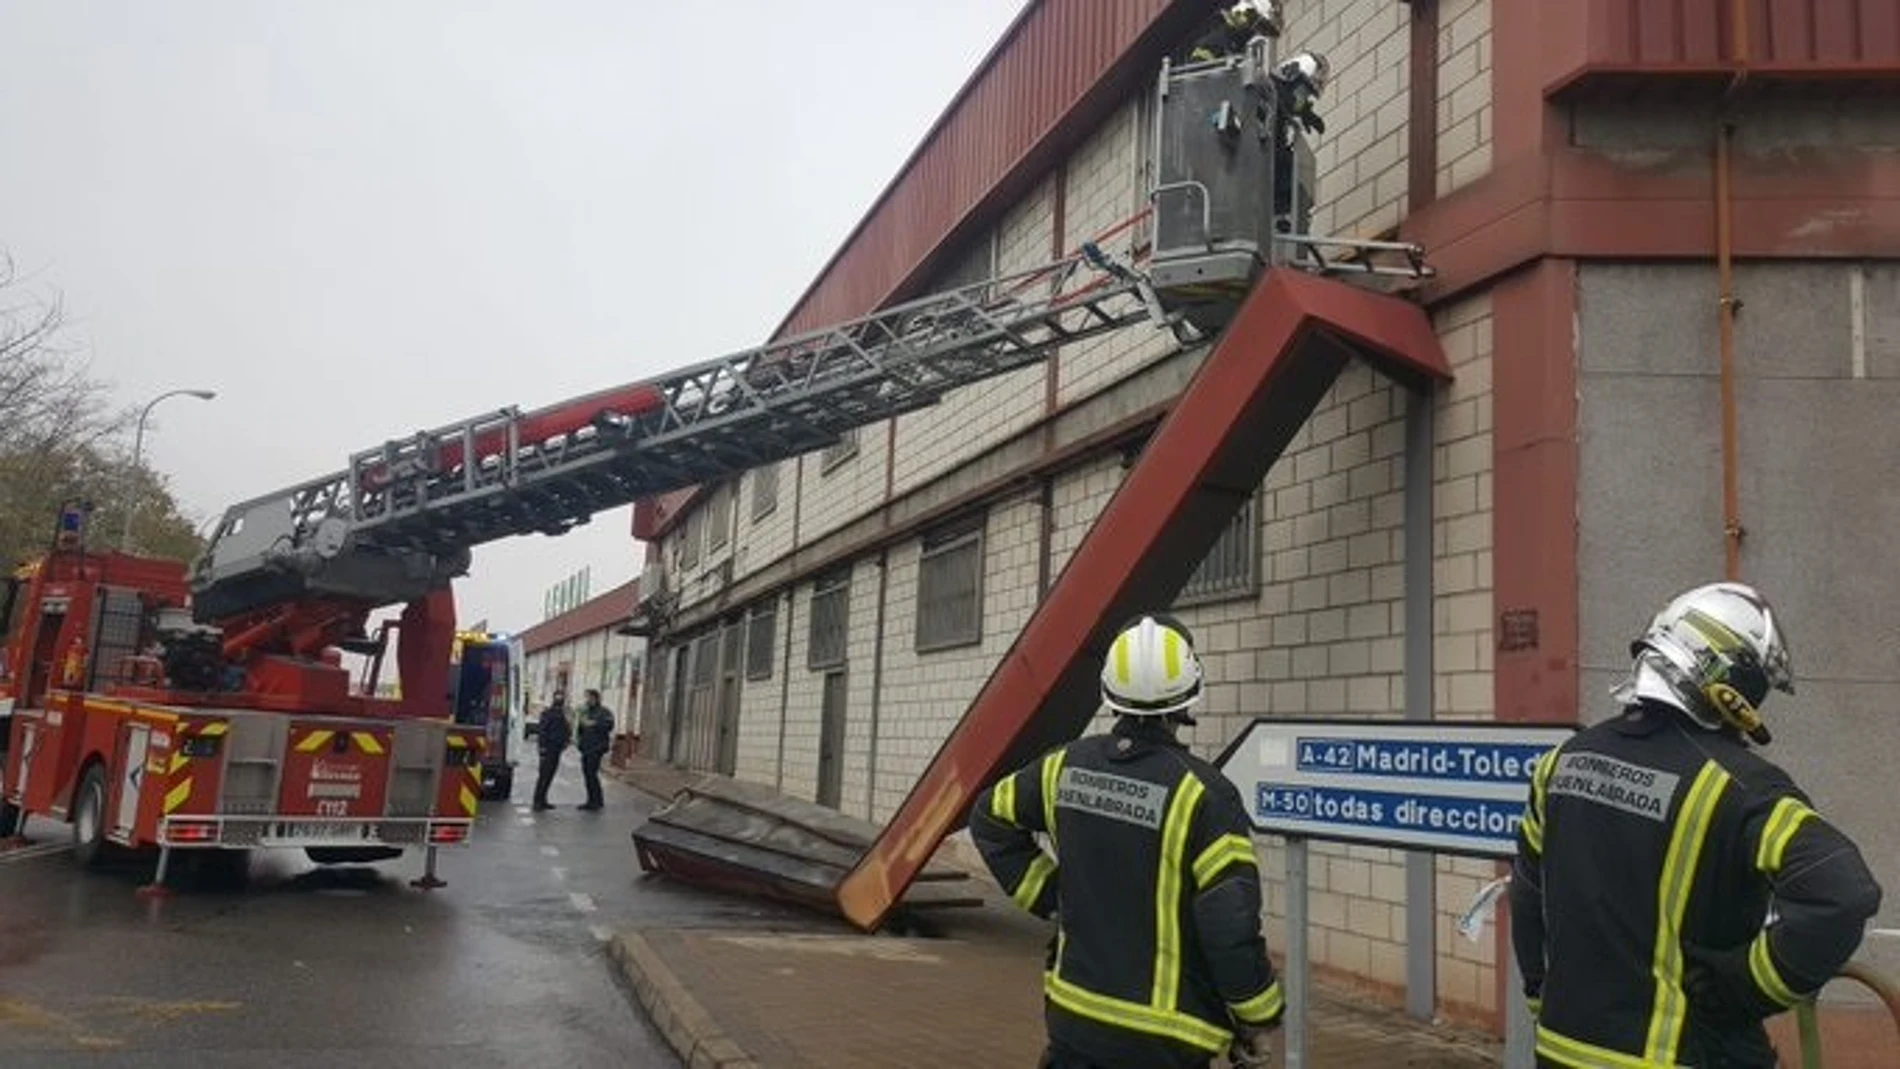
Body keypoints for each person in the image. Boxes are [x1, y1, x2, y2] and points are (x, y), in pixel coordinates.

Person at [1512, 581, 1882, 1068]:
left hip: (1561, 1048)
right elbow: (1843, 895)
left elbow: (1526, 893)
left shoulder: (1562, 763)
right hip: (1682, 1053)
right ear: (1726, 678)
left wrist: (1542, 997)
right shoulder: (1740, 786)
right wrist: (1747, 984)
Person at [970, 614, 1282, 1069]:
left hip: (1072, 1021)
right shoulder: (1204, 795)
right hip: (1165, 1039)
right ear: (1188, 695)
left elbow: (989, 818)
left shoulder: (1062, 767)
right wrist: (1259, 1015)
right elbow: (1228, 926)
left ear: (1109, 691)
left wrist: (1052, 898)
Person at [1176, 0, 1280, 64]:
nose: (1256, 32)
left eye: (1262, 30)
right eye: (1259, 27)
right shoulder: (1216, 38)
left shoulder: (1239, 45)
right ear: (1242, 14)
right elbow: (1198, 71)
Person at [575, 688, 614, 811]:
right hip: (586, 748)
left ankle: (596, 801)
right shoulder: (586, 712)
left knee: (592, 774)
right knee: (588, 775)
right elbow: (580, 729)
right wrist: (580, 743)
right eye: (586, 697)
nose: (587, 700)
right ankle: (591, 800)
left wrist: (594, 724)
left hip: (596, 748)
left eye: (590, 698)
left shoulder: (604, 712)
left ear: (596, 698)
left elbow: (609, 725)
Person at [530, 691, 571, 812]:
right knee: (544, 775)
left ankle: (543, 800)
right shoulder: (548, 713)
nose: (560, 699)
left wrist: (566, 741)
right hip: (548, 748)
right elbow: (542, 731)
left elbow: (566, 729)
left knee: (549, 775)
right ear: (553, 699)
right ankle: (538, 801)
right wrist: (542, 748)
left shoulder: (563, 714)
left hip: (556, 749)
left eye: (561, 697)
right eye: (558, 697)